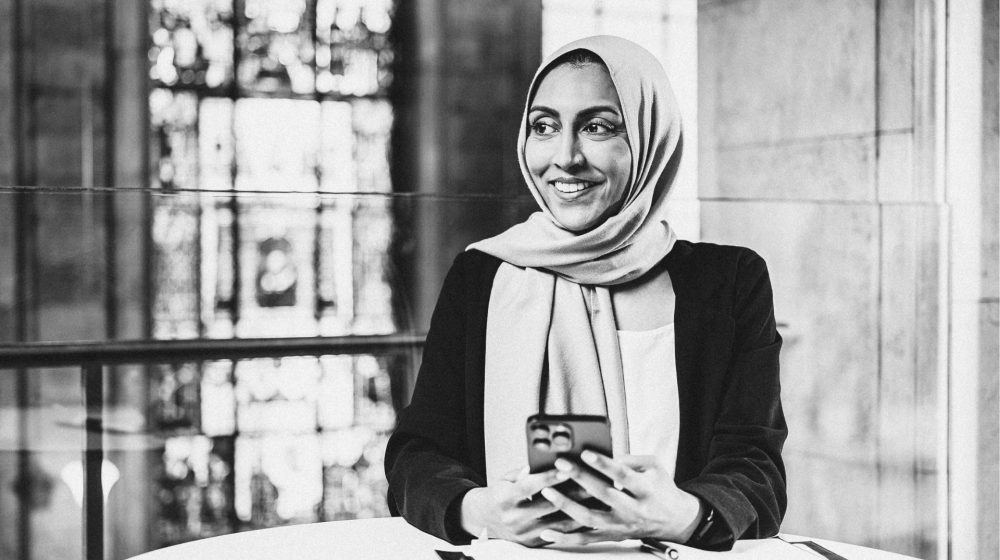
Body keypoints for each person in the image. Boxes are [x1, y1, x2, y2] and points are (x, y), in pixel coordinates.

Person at [384, 35, 786, 552]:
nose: (565, 157)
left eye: (597, 127)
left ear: (650, 137)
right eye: (544, 126)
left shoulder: (730, 281)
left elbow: (757, 471)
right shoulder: (481, 275)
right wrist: (482, 511)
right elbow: (416, 456)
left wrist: (680, 515)